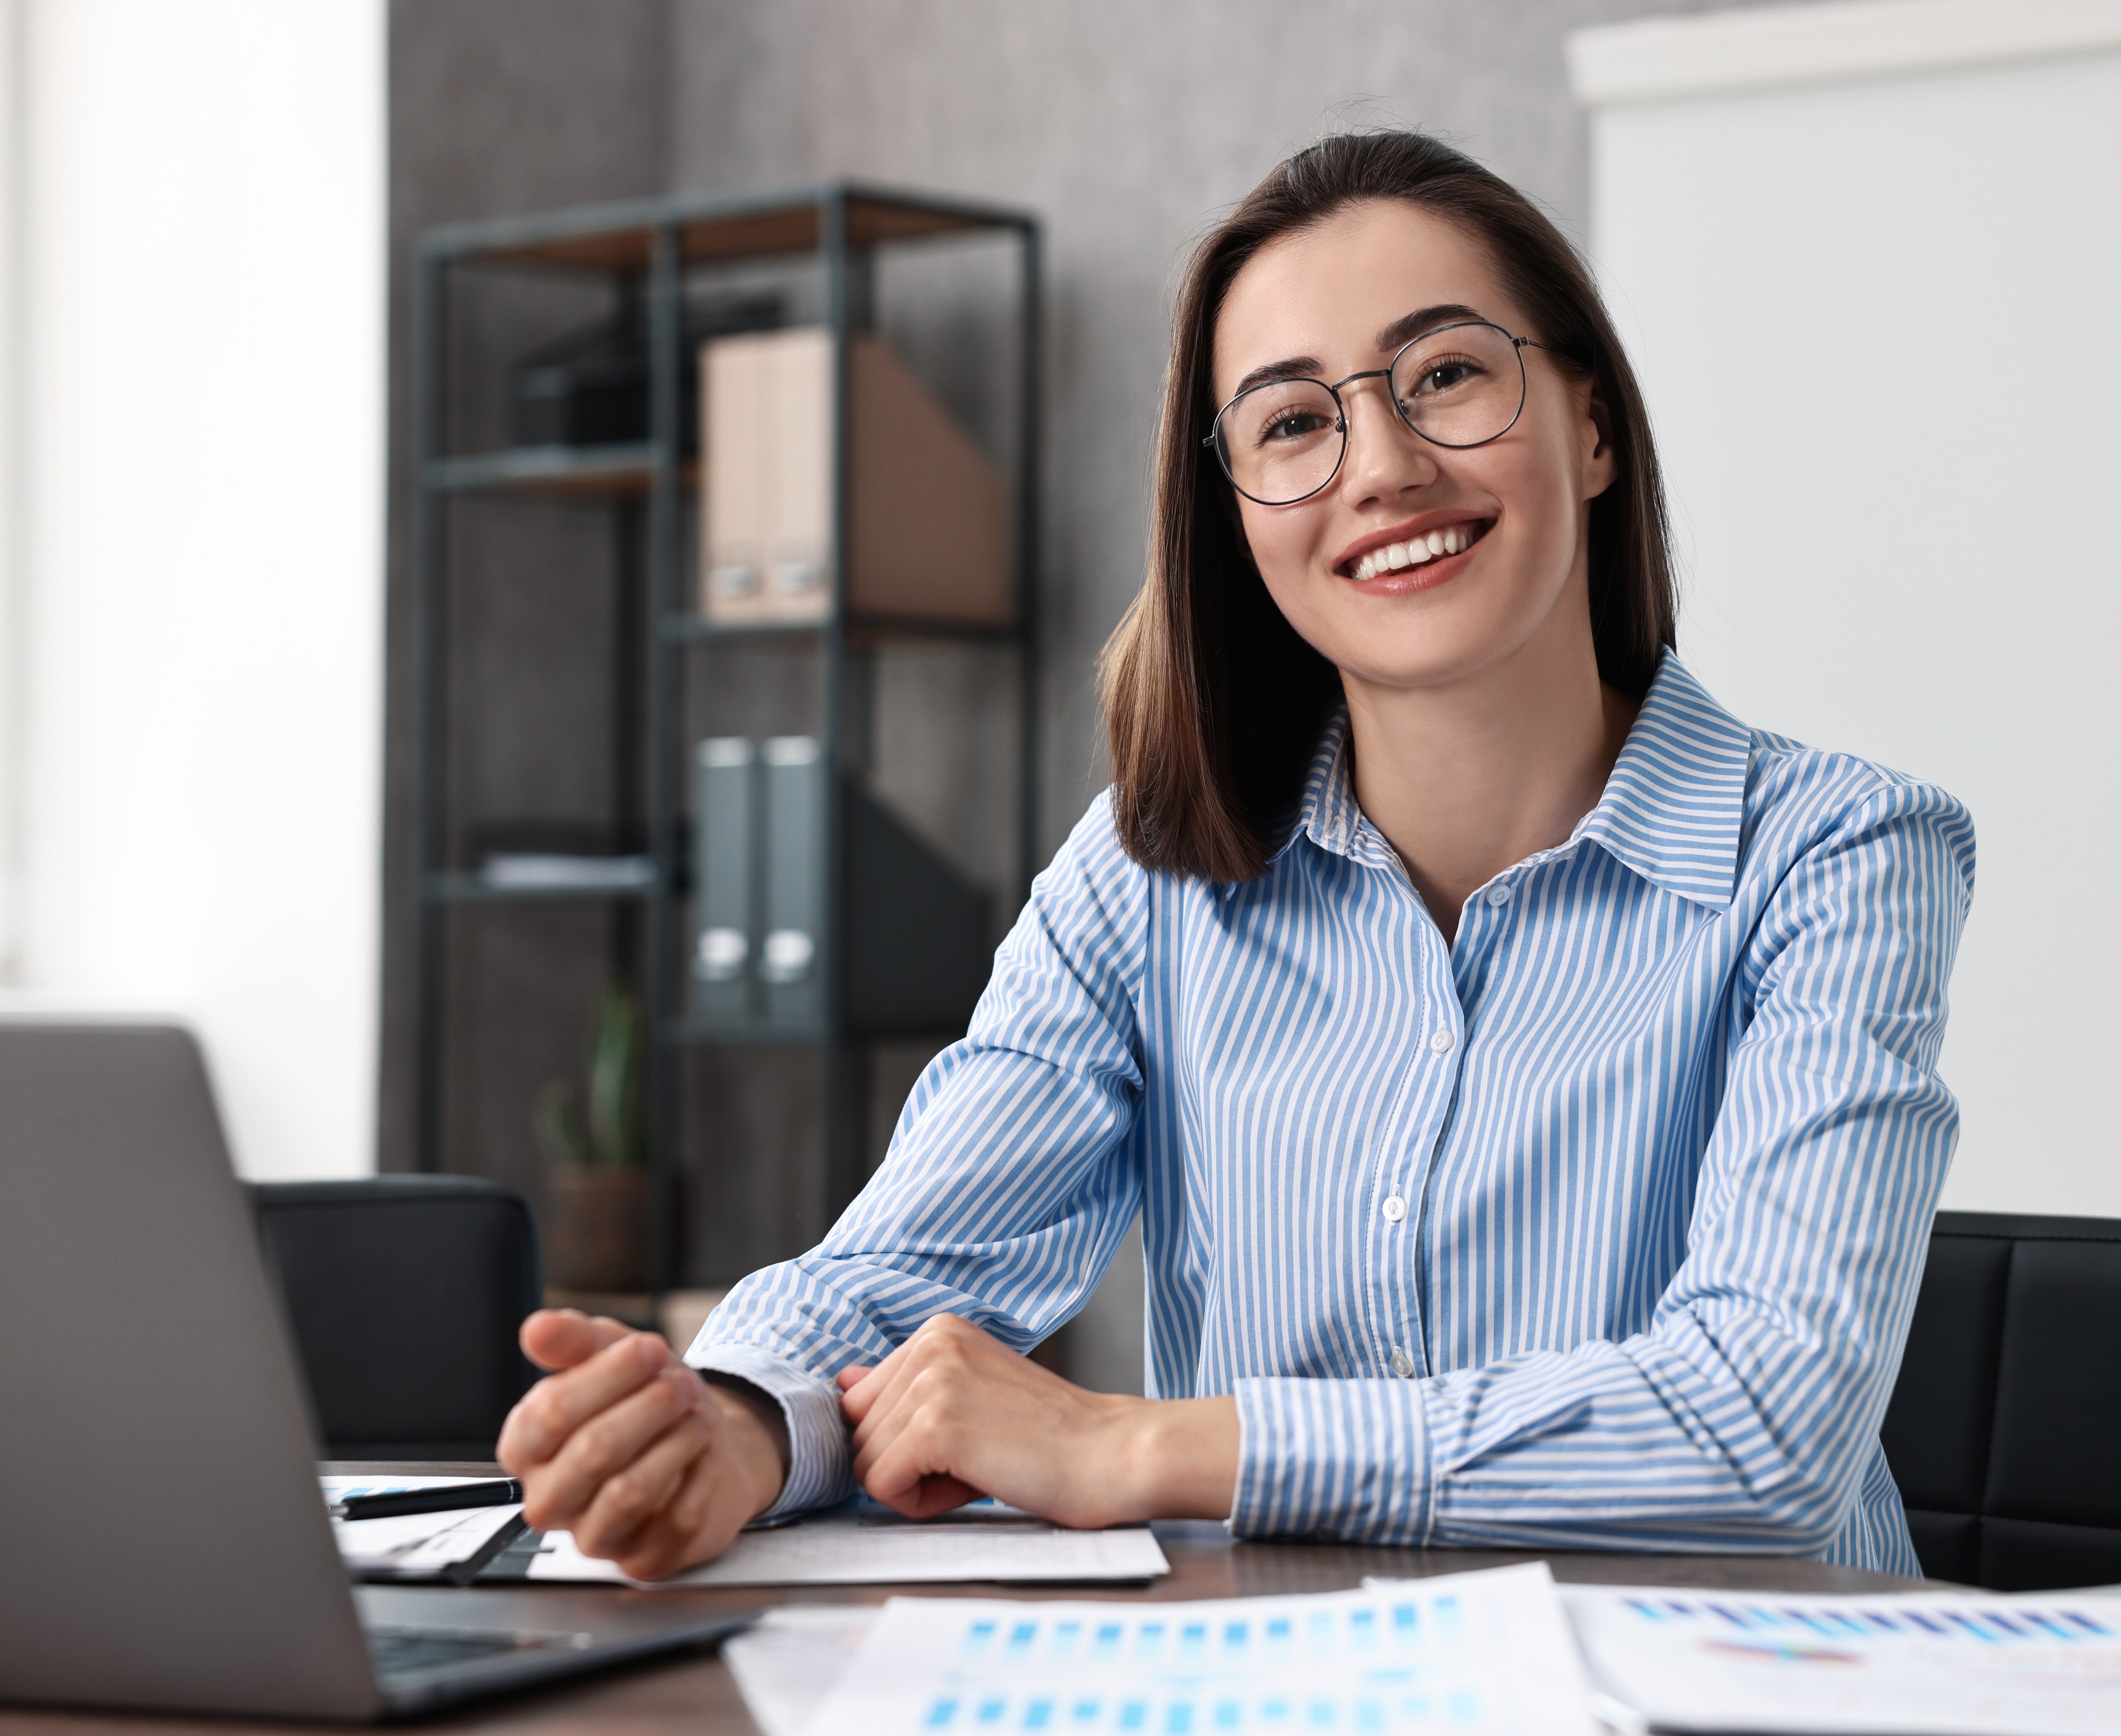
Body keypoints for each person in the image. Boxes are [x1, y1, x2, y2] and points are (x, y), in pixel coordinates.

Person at [496, 130, 1975, 1583]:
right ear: (1240, 520)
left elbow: (1761, 1426)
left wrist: (1142, 1447)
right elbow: (905, 1272)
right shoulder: (1147, 878)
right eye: (1290, 423)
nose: (1381, 466)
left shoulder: (1834, 854)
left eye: (1446, 373)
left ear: (1590, 424)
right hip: (1301, 1688)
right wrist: (743, 1426)